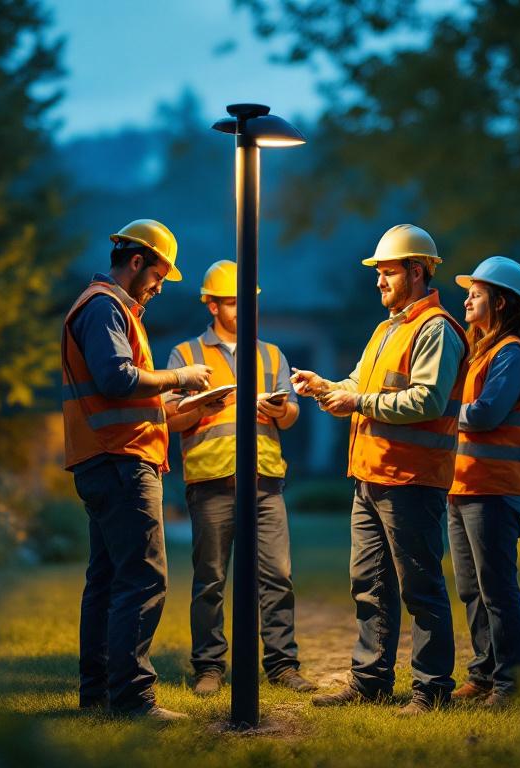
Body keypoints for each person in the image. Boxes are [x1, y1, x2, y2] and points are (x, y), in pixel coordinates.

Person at [291, 224, 467, 716]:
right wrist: (327, 386)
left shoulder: (437, 330)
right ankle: (370, 681)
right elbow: (359, 383)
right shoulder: (387, 328)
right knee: (369, 584)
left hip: (411, 480)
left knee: (420, 588)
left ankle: (432, 691)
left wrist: (358, 400)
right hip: (370, 477)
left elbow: (427, 399)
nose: (378, 283)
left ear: (416, 271)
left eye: (387, 272)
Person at [61, 219, 213, 721]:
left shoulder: (105, 306)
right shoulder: (105, 306)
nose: (160, 285)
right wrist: (180, 375)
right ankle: (132, 699)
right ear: (137, 262)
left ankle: (99, 693)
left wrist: (168, 408)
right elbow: (116, 378)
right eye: (160, 274)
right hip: (121, 462)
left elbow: (121, 392)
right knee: (144, 579)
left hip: (107, 457)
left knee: (106, 579)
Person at [165, 260, 319, 697]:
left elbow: (291, 415)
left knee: (277, 576)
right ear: (212, 305)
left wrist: (280, 410)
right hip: (211, 481)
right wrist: (201, 407)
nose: (241, 309)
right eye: (232, 302)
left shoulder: (271, 354)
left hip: (265, 481)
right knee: (210, 579)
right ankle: (209, 668)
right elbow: (172, 418)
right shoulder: (186, 355)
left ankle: (282, 665)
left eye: (246, 301)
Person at [446, 256, 520, 708]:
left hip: (495, 487)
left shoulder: (513, 355)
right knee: (471, 588)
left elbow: (486, 414)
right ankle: (485, 673)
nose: (467, 298)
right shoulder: (482, 350)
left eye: (477, 293)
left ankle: (513, 682)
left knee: (497, 588)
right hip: (465, 485)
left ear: (500, 302)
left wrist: (441, 415)